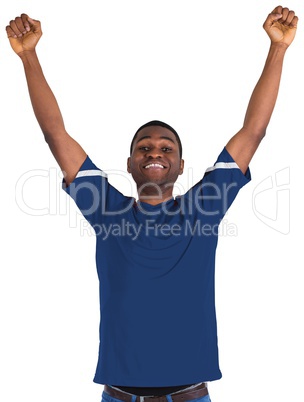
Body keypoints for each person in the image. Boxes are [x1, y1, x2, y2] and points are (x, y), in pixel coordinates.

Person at [6, 5, 298, 402]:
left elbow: (254, 131)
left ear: (180, 164)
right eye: (144, 147)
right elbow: (55, 135)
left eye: (165, 147)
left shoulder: (204, 208)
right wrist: (28, 56)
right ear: (130, 163)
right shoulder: (106, 210)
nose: (154, 152)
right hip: (119, 395)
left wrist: (278, 49)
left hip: (190, 395)